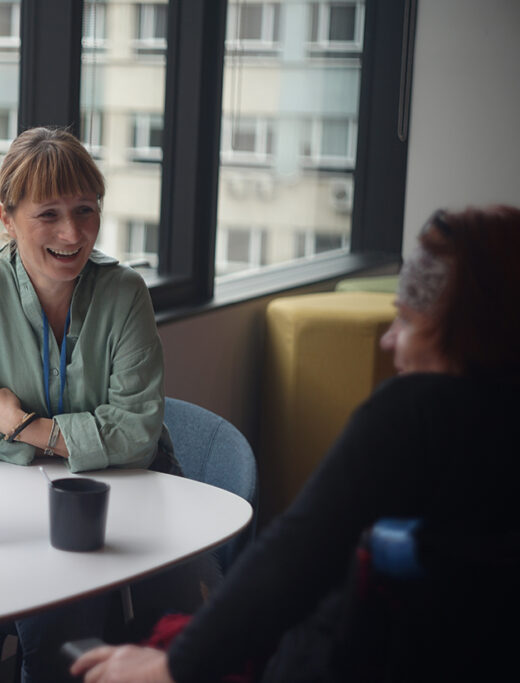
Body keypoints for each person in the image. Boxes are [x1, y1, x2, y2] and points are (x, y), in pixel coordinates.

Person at [71, 205, 520, 682]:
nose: (390, 341)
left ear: (464, 328)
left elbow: (299, 553)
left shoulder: (415, 412)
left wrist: (173, 666)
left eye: (407, 322)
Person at [0, 127, 206, 682]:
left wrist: (21, 424)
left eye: (86, 210)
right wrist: (77, 438)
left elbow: (135, 437)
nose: (72, 232)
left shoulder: (124, 291)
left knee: (176, 645)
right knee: (61, 635)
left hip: (138, 488)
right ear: (7, 218)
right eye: (48, 214)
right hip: (21, 502)